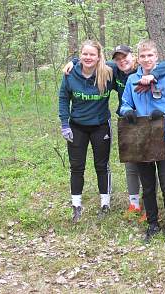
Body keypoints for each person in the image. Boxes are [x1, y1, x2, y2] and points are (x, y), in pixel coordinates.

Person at [63, 46, 165, 218]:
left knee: (150, 161)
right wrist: (74, 61)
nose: (122, 61)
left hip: (150, 120)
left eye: (126, 57)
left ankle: (148, 206)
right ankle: (134, 204)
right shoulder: (113, 70)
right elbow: (92, 59)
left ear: (134, 57)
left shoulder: (142, 69)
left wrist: (153, 75)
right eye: (118, 58)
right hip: (130, 119)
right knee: (132, 164)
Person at [120, 39, 165, 249]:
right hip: (141, 139)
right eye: (143, 56)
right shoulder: (132, 81)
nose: (146, 60)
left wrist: (163, 115)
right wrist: (127, 112)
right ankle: (153, 224)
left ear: (156, 57)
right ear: (138, 58)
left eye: (150, 56)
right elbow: (124, 103)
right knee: (148, 187)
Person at [58, 40, 114, 223]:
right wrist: (64, 124)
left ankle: (105, 204)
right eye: (85, 54)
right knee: (77, 167)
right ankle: (76, 206)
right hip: (77, 126)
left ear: (99, 57)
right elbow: (64, 98)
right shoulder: (70, 73)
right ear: (80, 55)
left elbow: (129, 67)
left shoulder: (108, 72)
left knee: (102, 165)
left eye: (92, 54)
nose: (88, 57)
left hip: (100, 126)